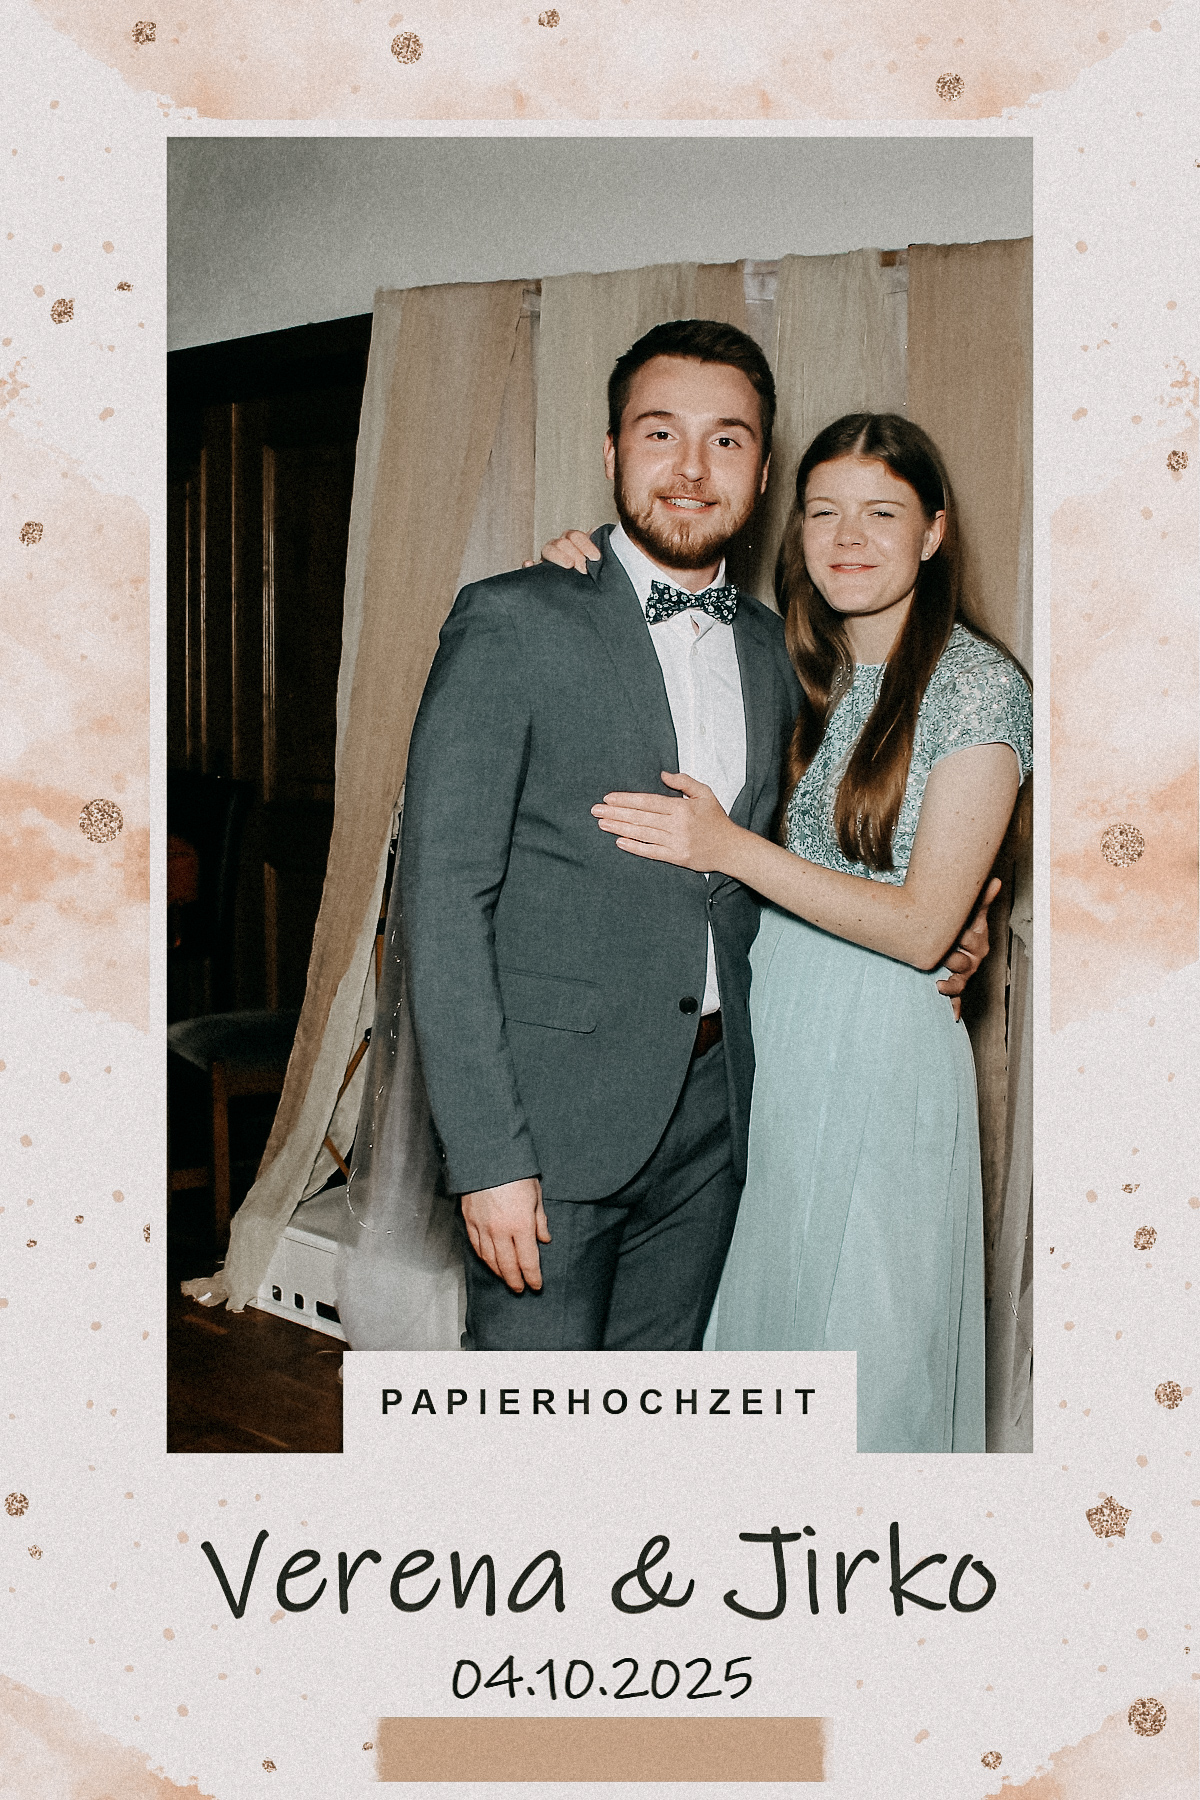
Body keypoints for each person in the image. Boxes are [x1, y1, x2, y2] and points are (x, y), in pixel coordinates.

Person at [400, 319, 991, 1353]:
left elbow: (837, 836)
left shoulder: (777, 652)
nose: (690, 468)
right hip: (551, 1130)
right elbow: (441, 899)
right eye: (660, 433)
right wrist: (488, 1155)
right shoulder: (514, 620)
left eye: (726, 440)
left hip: (723, 1124)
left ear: (760, 475)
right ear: (611, 453)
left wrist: (970, 908)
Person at [586, 411, 1032, 1449]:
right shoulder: (791, 664)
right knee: (763, 1345)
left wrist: (729, 848)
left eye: (882, 513)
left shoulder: (980, 687)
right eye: (824, 512)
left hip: (881, 1057)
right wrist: (579, 560)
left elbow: (923, 928)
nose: (848, 537)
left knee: (869, 1363)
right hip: (768, 1039)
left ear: (934, 531)